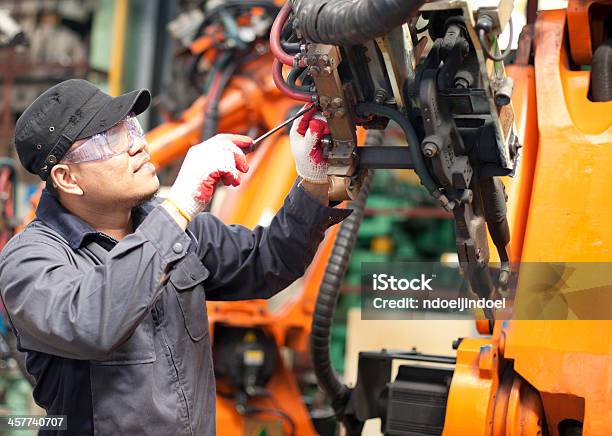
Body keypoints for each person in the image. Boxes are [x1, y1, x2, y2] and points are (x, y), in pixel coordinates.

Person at [0, 79, 349, 435]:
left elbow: (270, 261)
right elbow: (92, 323)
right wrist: (178, 207)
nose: (138, 145)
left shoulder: (178, 230)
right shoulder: (29, 260)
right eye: (109, 140)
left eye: (131, 129)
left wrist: (312, 181)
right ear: (67, 178)